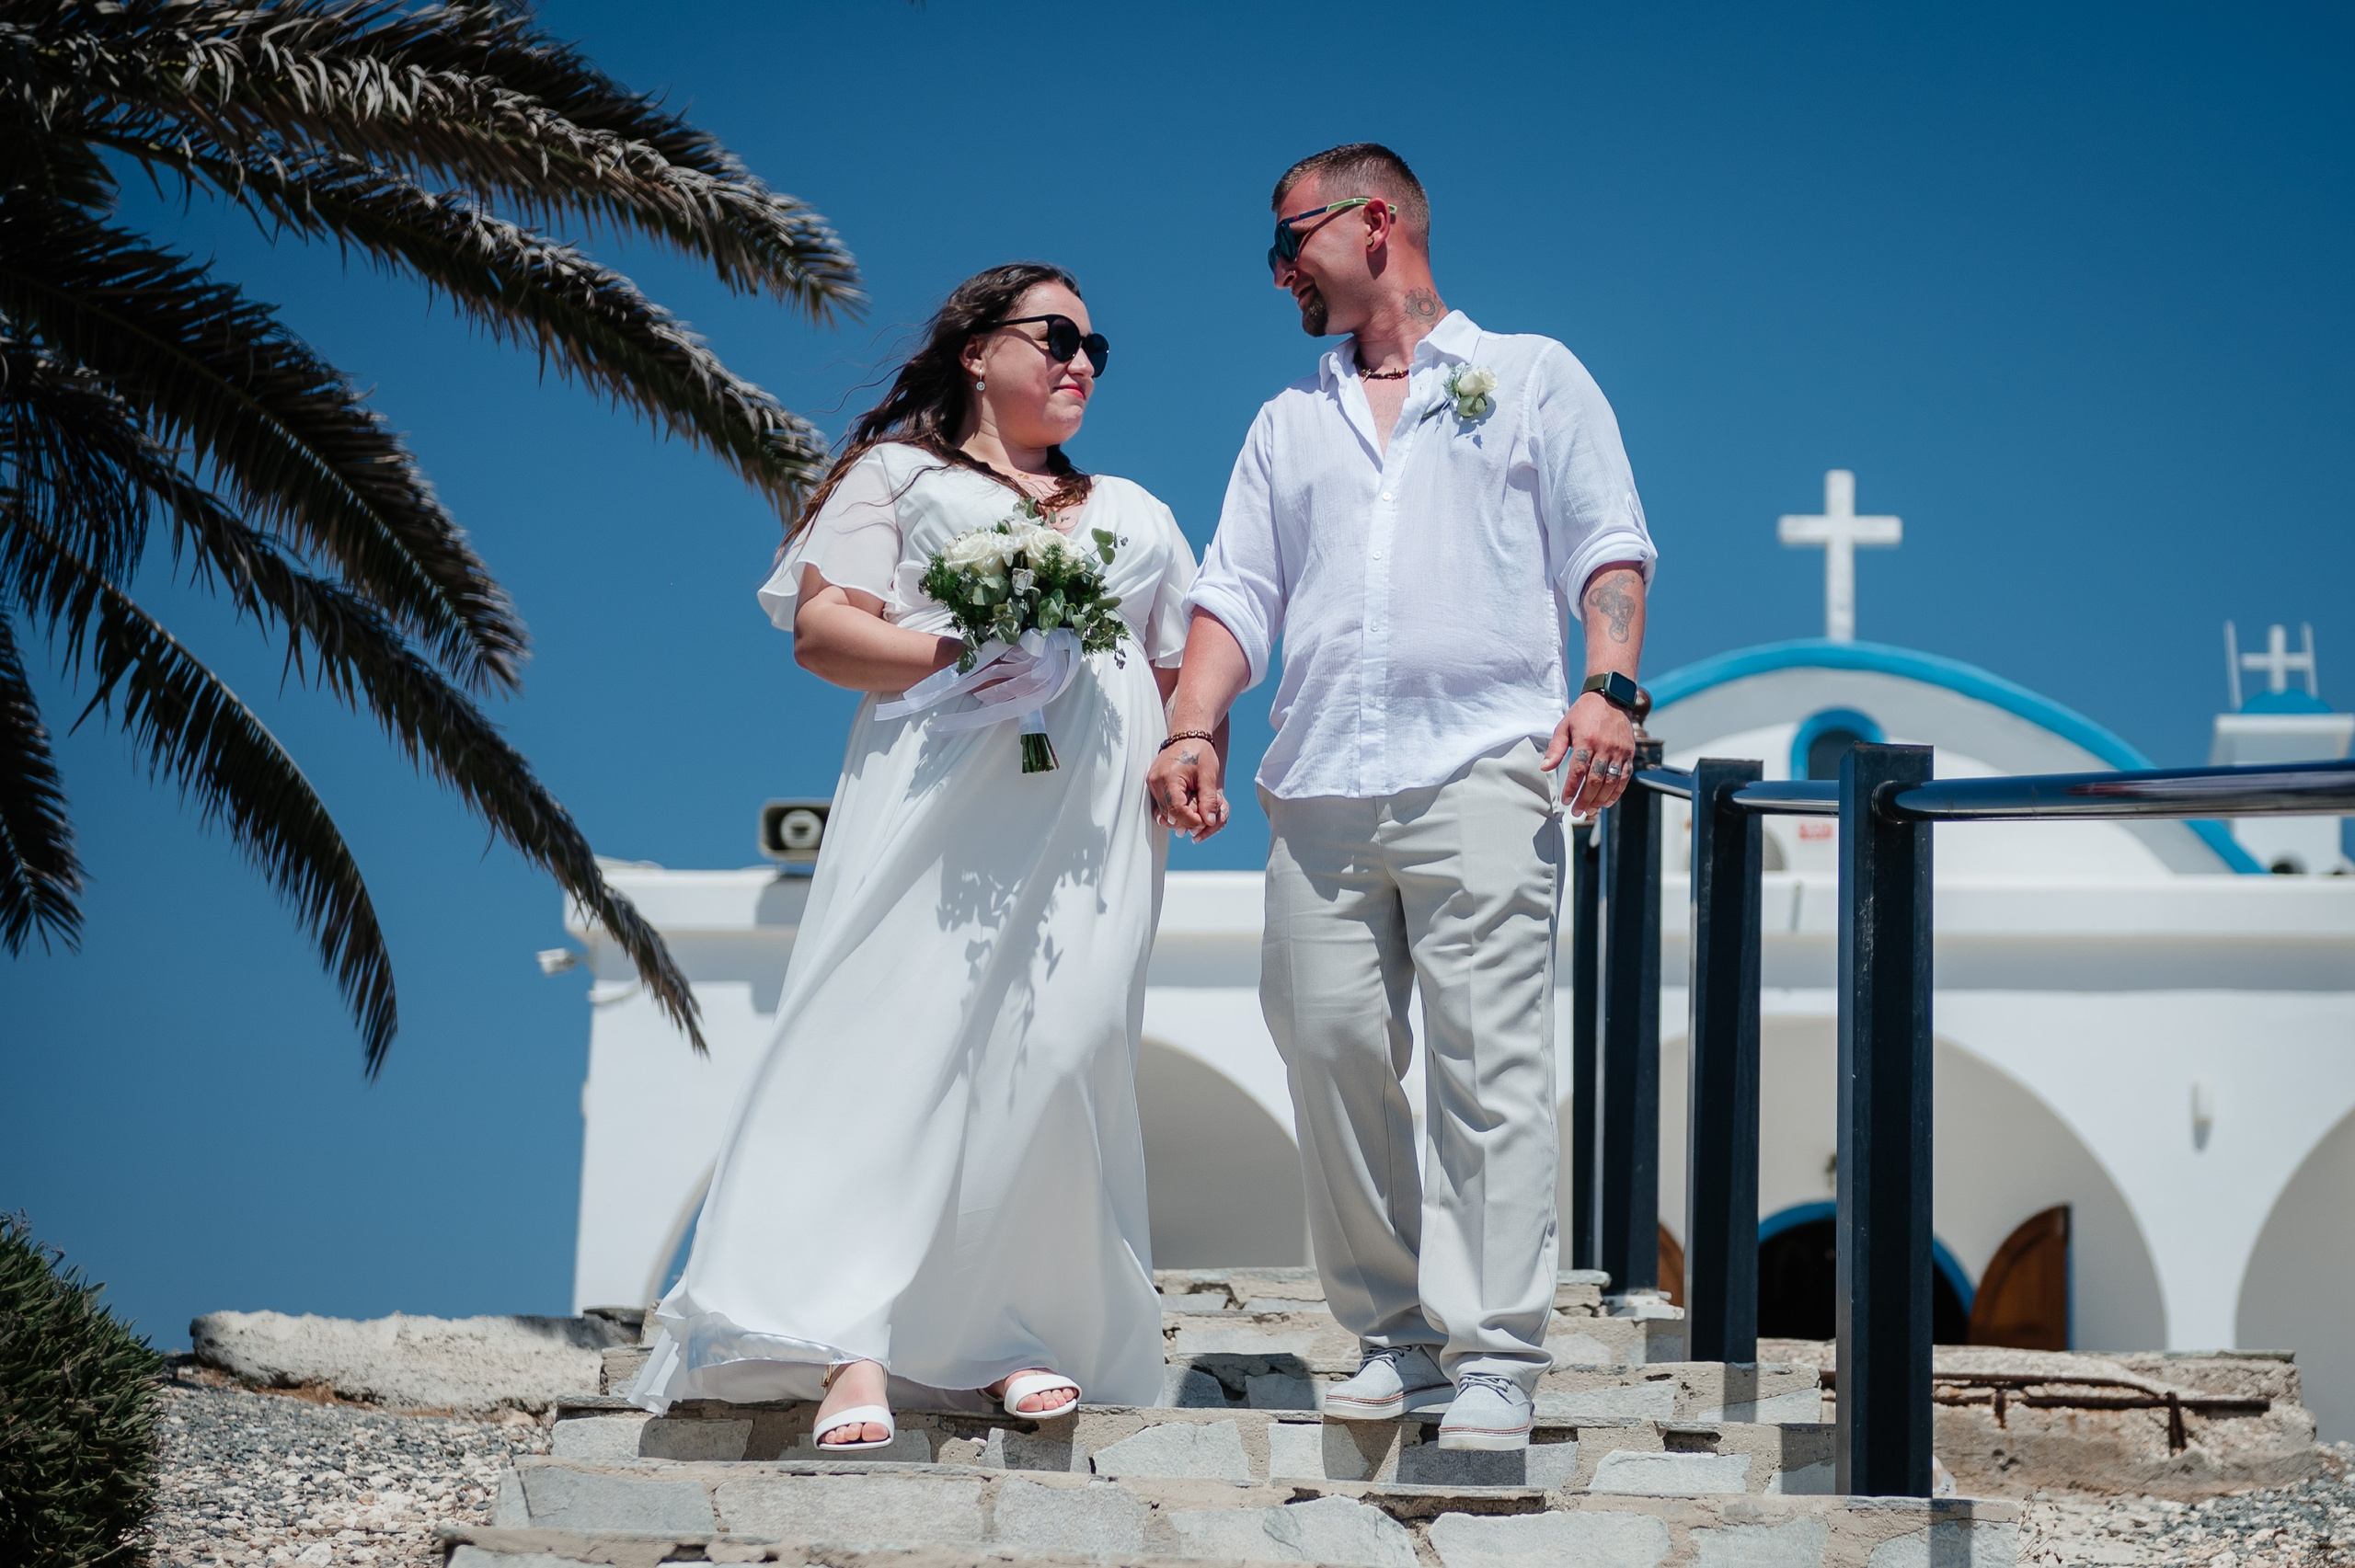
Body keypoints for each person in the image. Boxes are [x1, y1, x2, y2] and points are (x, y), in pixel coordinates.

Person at [630, 263, 1200, 1449]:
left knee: (1058, 1050)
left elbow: (1172, 661)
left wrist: (1188, 748)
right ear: (976, 349)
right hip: (943, 809)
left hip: (1093, 828)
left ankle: (1013, 1330)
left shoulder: (1138, 511)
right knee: (905, 1042)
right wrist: (953, 651)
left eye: (1100, 347)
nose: (1082, 362)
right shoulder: (898, 473)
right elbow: (825, 630)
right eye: (1056, 337)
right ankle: (854, 1344)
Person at [1147, 144, 1657, 1452]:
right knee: (1326, 1047)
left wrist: (1609, 687)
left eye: (1287, 245)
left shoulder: (1532, 377)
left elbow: (1607, 540)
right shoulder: (1287, 423)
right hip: (1317, 786)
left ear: (1375, 223)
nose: (1275, 274)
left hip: (1483, 762)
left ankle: (1497, 1354)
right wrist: (1195, 721)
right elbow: (1237, 593)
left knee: (1492, 1064)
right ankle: (1394, 1335)